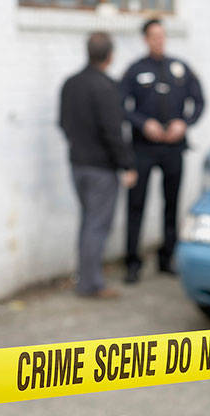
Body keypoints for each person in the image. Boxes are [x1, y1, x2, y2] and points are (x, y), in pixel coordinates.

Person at [120, 18, 205, 284]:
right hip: (143, 147)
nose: (159, 40)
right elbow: (121, 106)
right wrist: (143, 124)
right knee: (136, 204)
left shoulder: (179, 68)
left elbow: (199, 101)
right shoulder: (135, 70)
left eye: (162, 36)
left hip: (173, 147)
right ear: (146, 39)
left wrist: (185, 123)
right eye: (154, 36)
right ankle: (132, 262)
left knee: (172, 203)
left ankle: (167, 257)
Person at [59, 32, 138, 298]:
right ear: (110, 56)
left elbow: (63, 123)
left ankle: (85, 277)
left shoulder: (70, 83)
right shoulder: (106, 87)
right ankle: (90, 284)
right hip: (101, 169)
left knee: (87, 223)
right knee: (97, 226)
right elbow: (113, 131)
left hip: (77, 164)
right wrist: (127, 164)